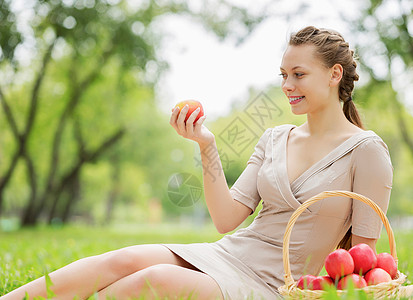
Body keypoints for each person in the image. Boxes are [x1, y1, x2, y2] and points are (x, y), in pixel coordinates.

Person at [0, 26, 393, 300]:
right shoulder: (275, 138)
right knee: (125, 258)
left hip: (276, 286)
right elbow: (226, 220)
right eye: (283, 75)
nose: (286, 85)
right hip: (230, 254)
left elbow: (361, 264)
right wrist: (206, 145)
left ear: (333, 74)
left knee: (156, 279)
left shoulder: (366, 151)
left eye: (298, 74)